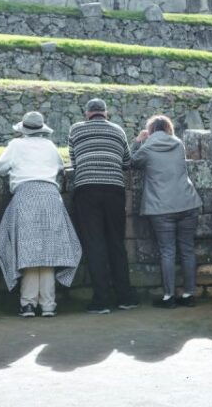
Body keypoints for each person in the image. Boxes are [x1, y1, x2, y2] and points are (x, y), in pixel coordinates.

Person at [0, 112, 82, 318]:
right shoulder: (49, 146)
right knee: (48, 253)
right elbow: (60, 167)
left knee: (29, 252)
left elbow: (0, 168)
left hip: (26, 196)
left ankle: (28, 304)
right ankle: (48, 305)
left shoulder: (16, 145)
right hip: (50, 197)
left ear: (23, 128)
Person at [67, 98, 138, 314]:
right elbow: (127, 162)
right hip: (114, 190)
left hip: (87, 189)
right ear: (105, 113)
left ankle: (101, 300)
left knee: (95, 243)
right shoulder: (118, 131)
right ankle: (125, 297)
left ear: (87, 113)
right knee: (116, 243)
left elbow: (74, 161)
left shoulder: (76, 130)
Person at [131, 115, 202, 308]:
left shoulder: (147, 147)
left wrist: (138, 141)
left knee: (167, 251)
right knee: (187, 250)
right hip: (187, 202)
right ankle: (189, 294)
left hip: (161, 206)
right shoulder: (178, 144)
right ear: (168, 128)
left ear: (151, 130)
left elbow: (131, 162)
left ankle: (168, 297)